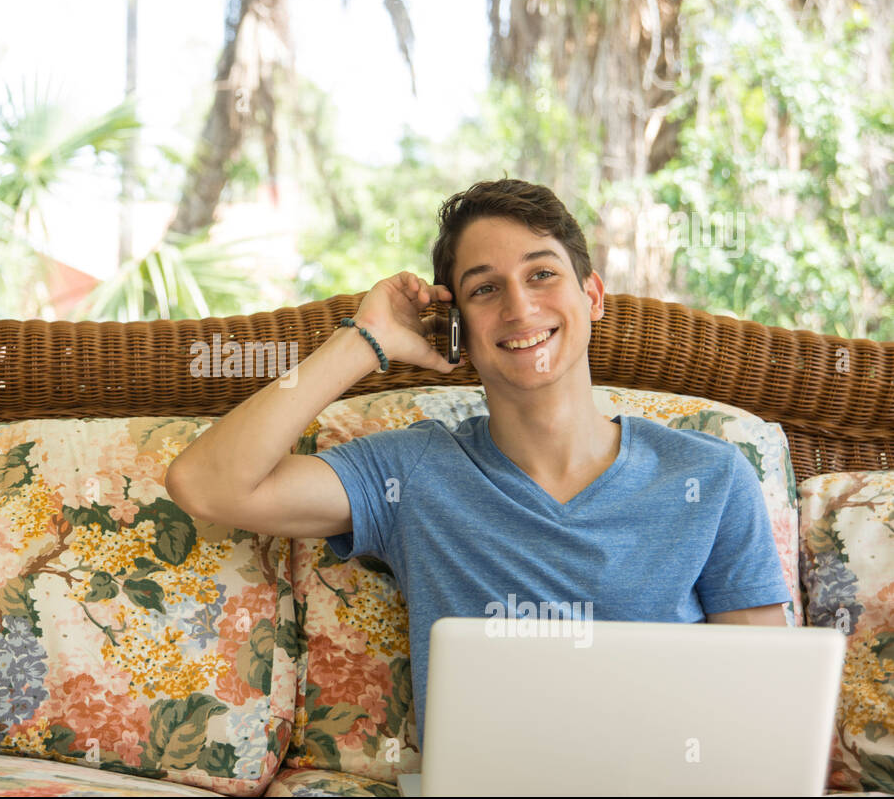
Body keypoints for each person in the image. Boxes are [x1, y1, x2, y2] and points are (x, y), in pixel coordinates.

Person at [165, 177, 791, 748]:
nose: (519, 308)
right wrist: (365, 342)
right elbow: (207, 483)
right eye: (486, 289)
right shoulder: (412, 473)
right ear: (459, 327)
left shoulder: (709, 476)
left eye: (541, 274)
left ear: (593, 295)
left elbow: (764, 707)